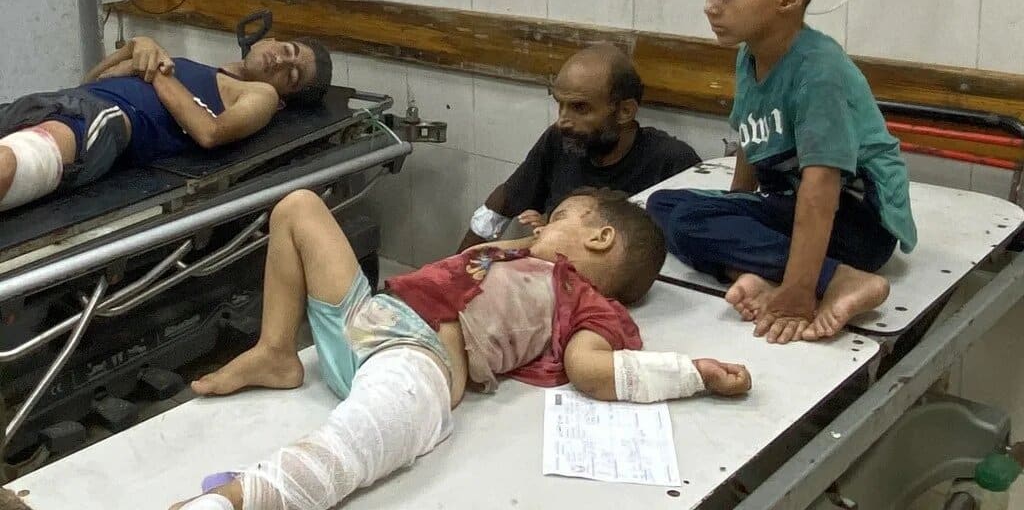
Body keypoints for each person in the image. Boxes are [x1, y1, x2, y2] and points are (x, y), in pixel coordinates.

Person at [169, 187, 752, 510]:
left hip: (417, 357)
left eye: (559, 219)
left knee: (352, 445)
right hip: (369, 318)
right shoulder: (522, 256)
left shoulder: (583, 299)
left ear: (599, 239)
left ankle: (237, 500)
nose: (540, 226)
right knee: (298, 207)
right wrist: (528, 239)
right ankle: (277, 351)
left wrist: (691, 373)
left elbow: (591, 370)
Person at [647, 0, 917, 345]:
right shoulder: (750, 53)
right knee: (662, 206)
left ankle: (840, 280)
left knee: (687, 223)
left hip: (858, 226)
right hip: (793, 209)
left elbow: (821, 192)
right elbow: (750, 134)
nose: (710, 6)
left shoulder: (819, 71)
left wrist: (798, 294)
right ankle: (762, 272)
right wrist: (736, 211)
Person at [0, 34, 332, 211]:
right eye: (288, 50)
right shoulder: (196, 68)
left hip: (106, 120)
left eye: (292, 76)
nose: (281, 60)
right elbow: (89, 82)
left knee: (5, 165)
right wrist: (137, 46)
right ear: (270, 39)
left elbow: (210, 132)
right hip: (59, 102)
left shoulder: (262, 95)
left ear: (284, 98)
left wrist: (156, 69)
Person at [458, 44, 702, 252]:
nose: (563, 121)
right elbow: (504, 200)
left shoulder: (671, 162)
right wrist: (453, 269)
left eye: (580, 108)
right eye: (560, 105)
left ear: (625, 111)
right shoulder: (559, 140)